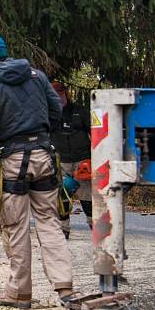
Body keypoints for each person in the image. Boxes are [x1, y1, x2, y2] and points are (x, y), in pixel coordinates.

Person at [0, 33, 75, 308]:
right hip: (44, 157)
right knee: (49, 222)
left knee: (15, 226)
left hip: (13, 161)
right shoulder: (36, 76)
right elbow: (56, 111)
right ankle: (65, 288)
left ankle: (19, 293)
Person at [50, 81, 93, 239]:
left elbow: (95, 133)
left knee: (87, 196)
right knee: (62, 195)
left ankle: (94, 226)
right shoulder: (49, 115)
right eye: (54, 95)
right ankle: (64, 229)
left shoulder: (80, 111)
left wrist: (94, 157)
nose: (58, 98)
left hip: (83, 160)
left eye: (60, 94)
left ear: (65, 93)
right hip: (61, 161)